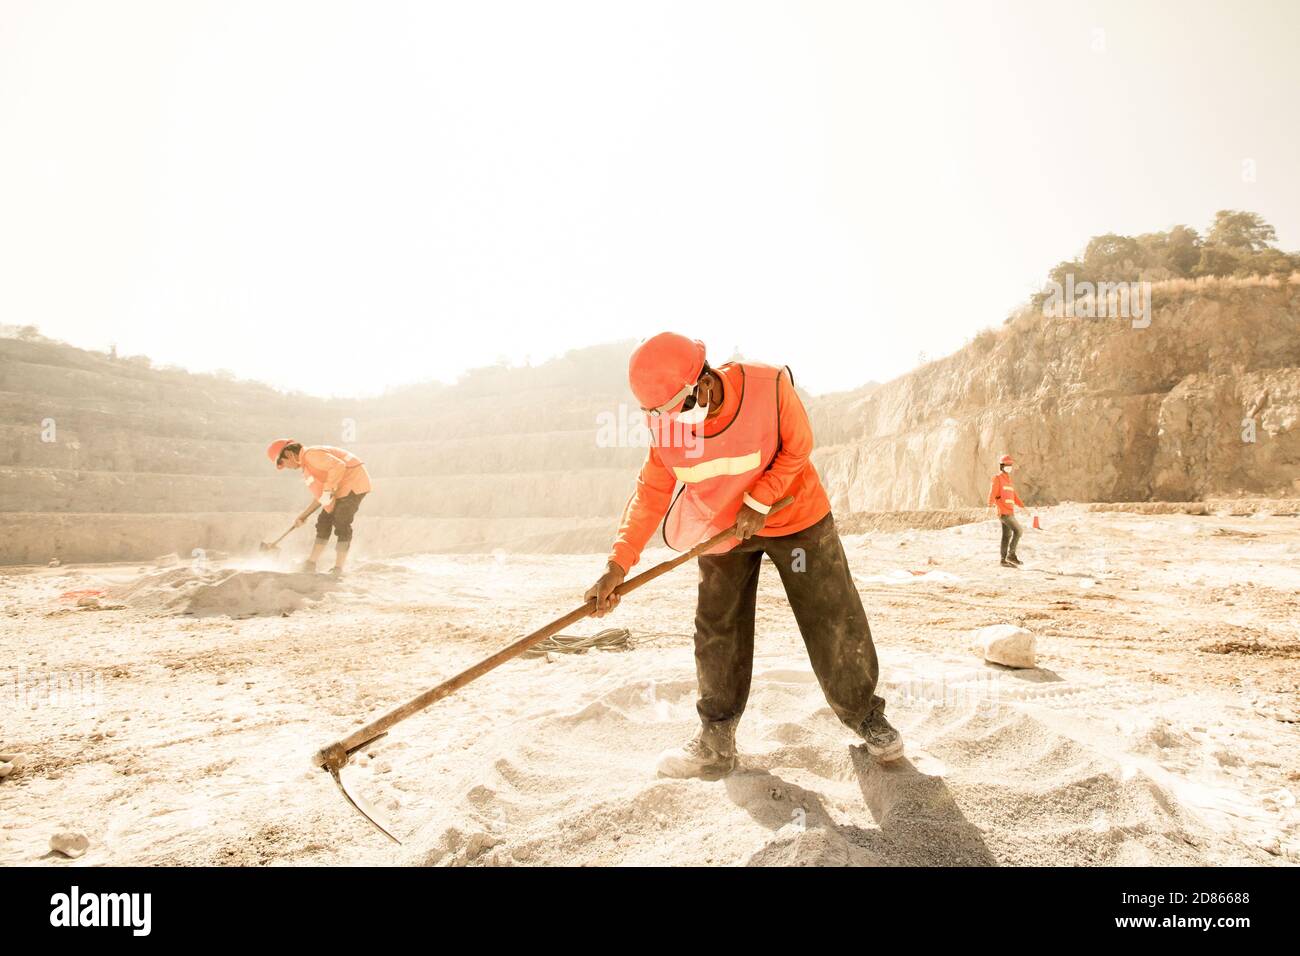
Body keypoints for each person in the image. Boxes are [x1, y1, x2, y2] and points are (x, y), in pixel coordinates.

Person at [584, 332, 903, 778]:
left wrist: (760, 499)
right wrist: (617, 565)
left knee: (831, 613)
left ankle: (866, 715)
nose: (673, 422)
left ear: (703, 381)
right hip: (723, 532)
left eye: (676, 409)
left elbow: (798, 445)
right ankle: (715, 737)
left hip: (796, 520)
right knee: (717, 627)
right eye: (662, 416)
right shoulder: (668, 425)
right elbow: (651, 493)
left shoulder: (768, 386)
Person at [266, 439, 372, 575]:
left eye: (282, 462)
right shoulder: (307, 468)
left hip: (354, 483)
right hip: (339, 488)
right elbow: (321, 497)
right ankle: (311, 563)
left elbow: (338, 466)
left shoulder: (311, 455)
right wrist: (303, 516)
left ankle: (338, 568)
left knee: (341, 521)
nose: (285, 466)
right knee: (323, 522)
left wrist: (328, 490)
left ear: (288, 454)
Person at [988, 454, 1025, 568]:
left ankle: (1003, 560)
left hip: (1009, 511)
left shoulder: (1008, 480)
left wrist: (1022, 507)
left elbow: (1013, 495)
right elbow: (992, 492)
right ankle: (1011, 555)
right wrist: (989, 506)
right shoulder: (997, 478)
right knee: (1019, 531)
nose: (1009, 467)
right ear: (1002, 466)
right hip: (1003, 512)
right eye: (1007, 465)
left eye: (1010, 465)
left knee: (1006, 536)